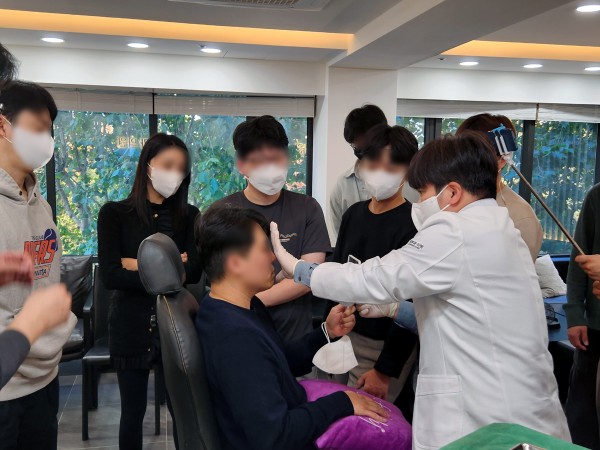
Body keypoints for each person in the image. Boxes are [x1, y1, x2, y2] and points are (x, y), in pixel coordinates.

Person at [271, 133, 570, 449]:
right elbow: (466, 313)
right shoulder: (498, 226)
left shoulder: (456, 230)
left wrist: (301, 269)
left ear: (451, 192)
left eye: (424, 191)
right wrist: (393, 309)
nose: (420, 201)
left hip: (484, 408)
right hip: (523, 400)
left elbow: (375, 277)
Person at [194, 204, 389, 450]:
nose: (273, 257)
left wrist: (326, 333)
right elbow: (275, 437)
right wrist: (342, 402)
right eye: (264, 249)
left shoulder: (239, 307)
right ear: (236, 263)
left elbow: (278, 361)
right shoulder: (236, 339)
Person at [97, 133, 201, 450]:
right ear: (148, 165)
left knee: (183, 412)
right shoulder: (114, 213)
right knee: (132, 412)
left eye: (180, 168)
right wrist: (172, 265)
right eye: (168, 164)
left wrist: (136, 264)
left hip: (176, 327)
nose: (174, 173)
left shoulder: (190, 216)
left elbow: (195, 271)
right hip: (130, 325)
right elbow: (111, 276)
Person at [0, 80, 77, 450]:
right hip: (5, 386)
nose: (46, 139)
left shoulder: (41, 205)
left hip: (45, 377)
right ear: (3, 125)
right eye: (38, 126)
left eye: (50, 130)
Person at [327, 124, 419, 406]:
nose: (380, 173)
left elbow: (413, 305)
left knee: (369, 422)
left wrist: (385, 370)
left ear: (407, 172)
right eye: (373, 164)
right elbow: (339, 272)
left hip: (382, 347)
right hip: (345, 335)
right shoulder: (354, 214)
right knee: (336, 413)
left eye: (390, 168)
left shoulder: (414, 224)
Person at [218, 115, 331, 344]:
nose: (270, 168)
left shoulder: (307, 208)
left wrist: (254, 301)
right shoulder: (223, 212)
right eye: (260, 161)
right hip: (240, 334)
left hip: (295, 338)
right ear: (242, 164)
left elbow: (310, 273)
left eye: (276, 158)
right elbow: (222, 280)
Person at [456, 113, 543, 261]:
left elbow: (516, 271)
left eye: (473, 154)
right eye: (459, 152)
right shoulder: (449, 200)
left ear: (502, 159)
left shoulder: (520, 216)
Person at [329, 105, 419, 238]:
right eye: (356, 145)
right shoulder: (344, 187)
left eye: (390, 168)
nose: (380, 173)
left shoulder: (414, 185)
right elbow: (341, 236)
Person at [564, 184, 600, 448]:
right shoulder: (597, 196)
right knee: (580, 414)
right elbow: (579, 257)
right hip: (593, 328)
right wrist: (575, 314)